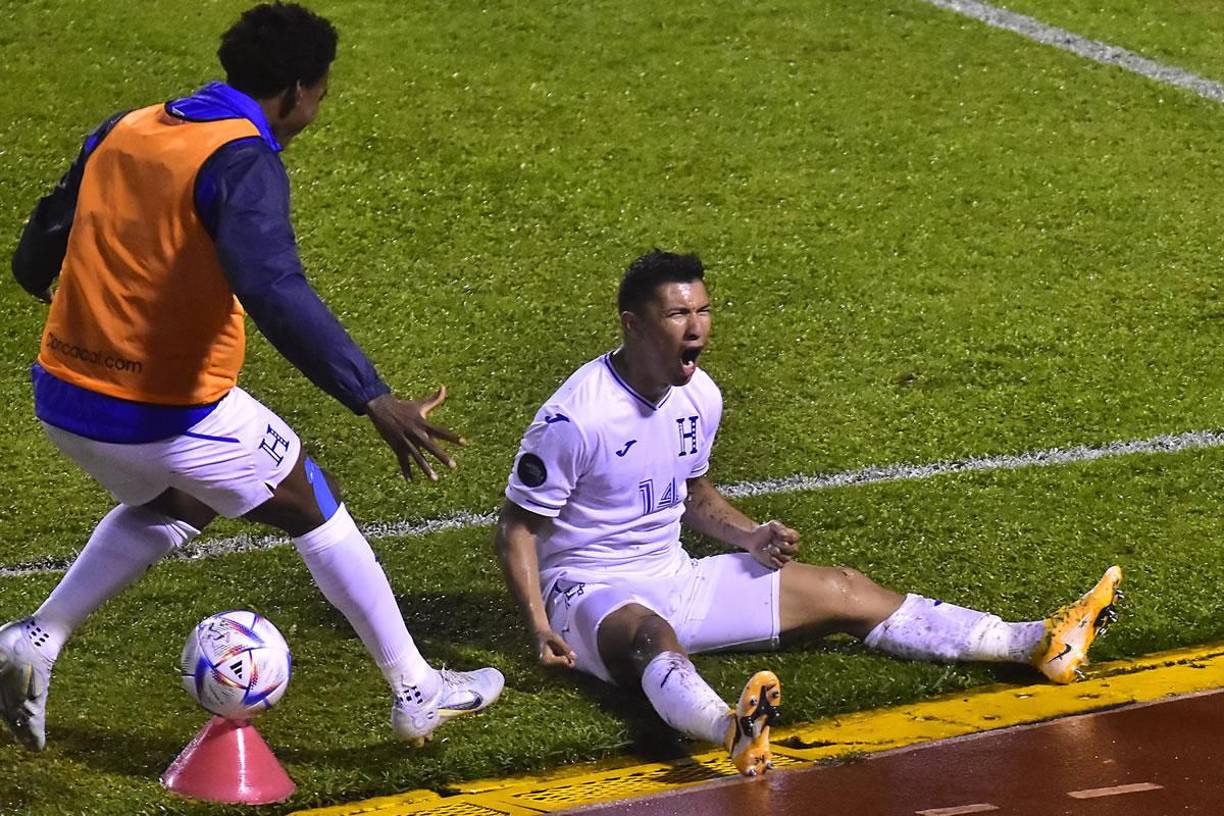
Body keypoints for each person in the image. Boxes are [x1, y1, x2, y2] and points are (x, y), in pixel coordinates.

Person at [1, 2, 502, 752]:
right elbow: (273, 288)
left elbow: (44, 235)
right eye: (322, 93)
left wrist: (41, 275)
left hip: (62, 395)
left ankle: (34, 638)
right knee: (313, 503)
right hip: (164, 411)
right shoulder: (242, 160)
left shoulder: (127, 126)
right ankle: (417, 689)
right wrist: (371, 396)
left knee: (186, 501)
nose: (317, 110)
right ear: (298, 90)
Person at [494, 249, 1122, 777]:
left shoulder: (698, 395)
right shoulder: (575, 418)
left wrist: (749, 535)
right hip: (588, 590)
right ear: (632, 324)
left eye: (704, 310)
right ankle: (730, 731)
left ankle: (1034, 642)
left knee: (844, 589)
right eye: (678, 314)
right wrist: (538, 625)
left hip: (672, 572)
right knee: (651, 637)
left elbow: (696, 496)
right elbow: (516, 529)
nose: (697, 328)